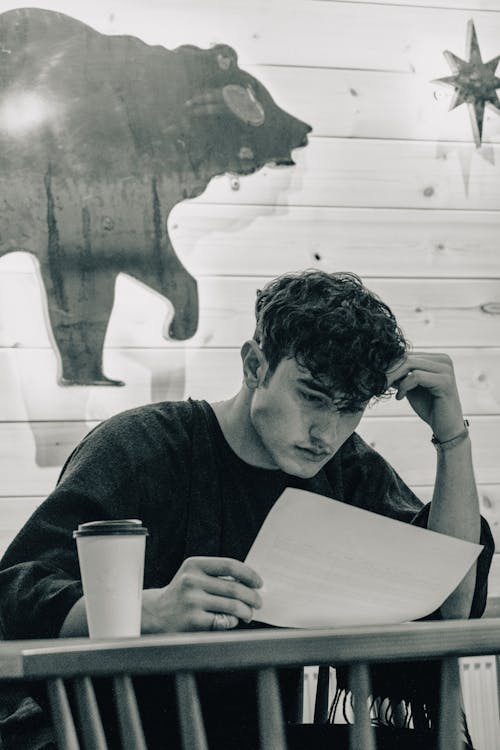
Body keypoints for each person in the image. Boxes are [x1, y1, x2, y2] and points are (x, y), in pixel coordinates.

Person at [0, 270, 493, 749]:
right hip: (117, 733)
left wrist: (452, 440)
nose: (326, 433)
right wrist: (146, 611)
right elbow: (15, 592)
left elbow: (448, 601)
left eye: (350, 407)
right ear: (254, 366)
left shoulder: (347, 467)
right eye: (311, 396)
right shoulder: (140, 447)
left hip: (263, 731)